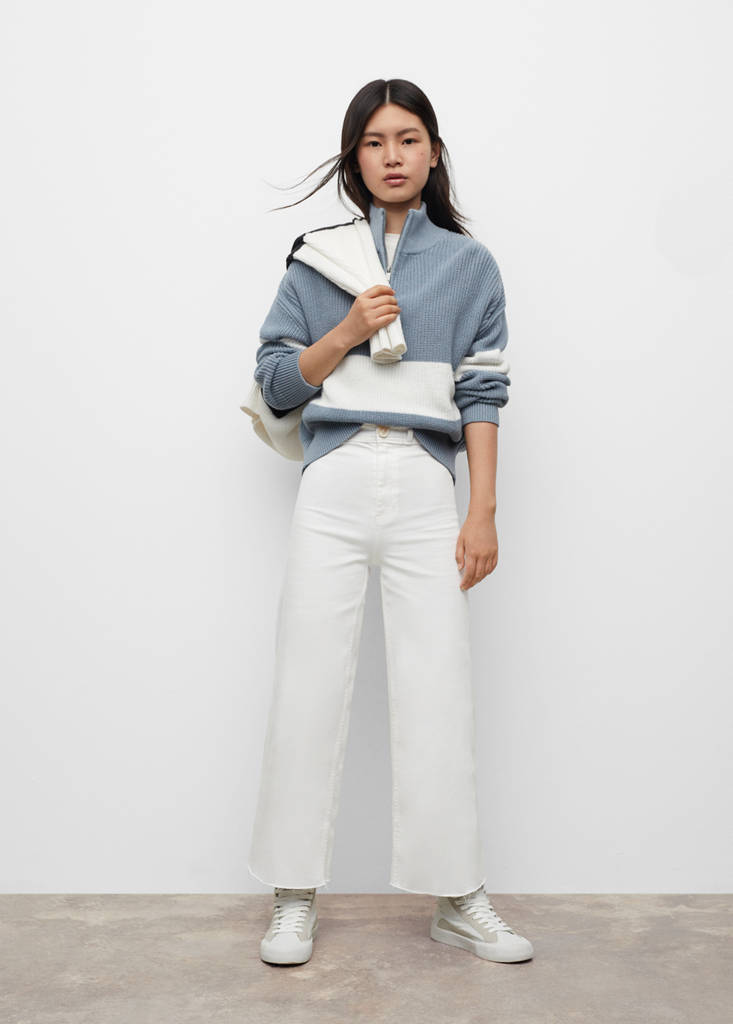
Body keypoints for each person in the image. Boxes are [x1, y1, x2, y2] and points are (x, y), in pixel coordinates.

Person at [246, 78, 534, 967]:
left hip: (422, 482)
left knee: (436, 686)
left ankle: (457, 896)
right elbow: (275, 386)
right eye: (373, 142)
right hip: (333, 479)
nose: (392, 156)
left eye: (408, 139)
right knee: (306, 685)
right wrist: (343, 332)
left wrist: (481, 510)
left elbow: (482, 392)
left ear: (433, 152)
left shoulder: (469, 265)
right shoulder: (316, 261)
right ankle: (293, 894)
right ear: (354, 158)